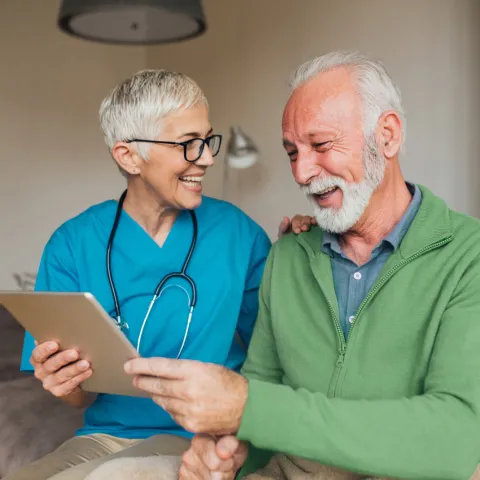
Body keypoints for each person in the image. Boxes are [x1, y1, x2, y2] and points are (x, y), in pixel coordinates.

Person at [118, 52, 480, 480]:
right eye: (292, 152)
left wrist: (248, 407)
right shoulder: (287, 256)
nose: (303, 172)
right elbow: (261, 399)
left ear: (387, 136)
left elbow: (456, 437)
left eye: (322, 145)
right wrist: (229, 453)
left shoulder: (467, 256)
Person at [8, 69, 313, 480]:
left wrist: (301, 257)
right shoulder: (71, 245)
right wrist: (64, 382)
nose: (206, 157)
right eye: (189, 145)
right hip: (105, 435)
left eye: (207, 140)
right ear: (128, 156)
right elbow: (79, 398)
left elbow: (285, 350)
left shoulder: (236, 234)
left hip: (201, 437)